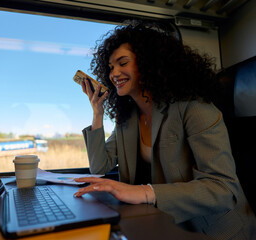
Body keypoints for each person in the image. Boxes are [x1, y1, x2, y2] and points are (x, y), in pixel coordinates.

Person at [73, 20, 255, 240]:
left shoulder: (194, 108)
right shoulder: (126, 121)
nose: (114, 73)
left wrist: (144, 192)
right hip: (163, 223)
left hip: (213, 231)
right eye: (111, 67)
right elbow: (99, 166)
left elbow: (223, 189)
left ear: (149, 64)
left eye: (123, 63)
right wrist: (97, 113)